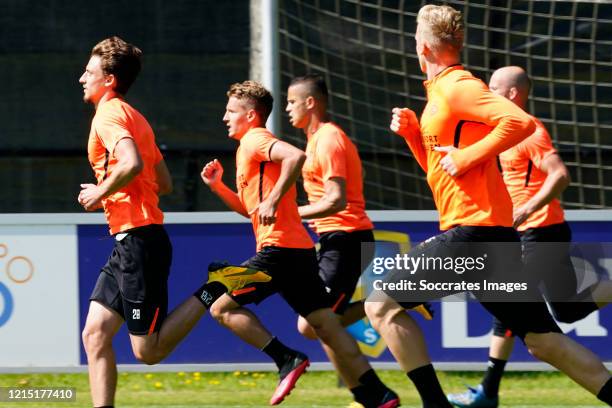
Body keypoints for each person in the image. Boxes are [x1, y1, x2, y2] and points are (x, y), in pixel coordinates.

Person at [363, 5, 612, 408]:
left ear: (422, 46)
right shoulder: (442, 95)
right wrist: (413, 136)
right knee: (544, 341)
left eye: (412, 37)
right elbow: (442, 171)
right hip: (492, 236)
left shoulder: (459, 86)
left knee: (381, 305)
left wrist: (466, 156)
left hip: (474, 234)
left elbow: (521, 123)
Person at [78, 37, 270, 408]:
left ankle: (215, 287)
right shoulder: (135, 117)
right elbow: (161, 182)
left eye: (89, 72)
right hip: (129, 241)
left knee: (147, 352)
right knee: (95, 334)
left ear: (110, 80)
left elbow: (132, 163)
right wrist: (117, 190)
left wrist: (100, 192)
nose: (81, 78)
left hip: (139, 243)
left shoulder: (109, 115)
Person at [201, 80, 399, 407]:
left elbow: (294, 155)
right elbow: (251, 211)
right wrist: (218, 187)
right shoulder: (247, 148)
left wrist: (275, 200)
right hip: (299, 251)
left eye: (231, 111)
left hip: (278, 252)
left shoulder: (255, 139)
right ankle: (377, 394)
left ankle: (286, 359)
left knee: (220, 305)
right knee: (323, 324)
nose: (225, 117)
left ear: (251, 116)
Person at [447, 66, 612, 408]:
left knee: (508, 301)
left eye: (493, 87)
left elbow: (560, 175)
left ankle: (487, 392)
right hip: (539, 232)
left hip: (539, 232)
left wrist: (525, 210)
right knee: (567, 311)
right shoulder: (503, 131)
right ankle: (487, 393)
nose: (486, 92)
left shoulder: (529, 130)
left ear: (511, 94)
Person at [286, 74, 433, 406]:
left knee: (312, 324)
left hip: (347, 238)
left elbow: (337, 199)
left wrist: (294, 214)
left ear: (311, 102)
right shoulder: (316, 140)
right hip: (336, 237)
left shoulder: (329, 139)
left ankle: (377, 392)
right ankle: (370, 397)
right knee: (325, 325)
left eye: (292, 101)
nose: (287, 108)